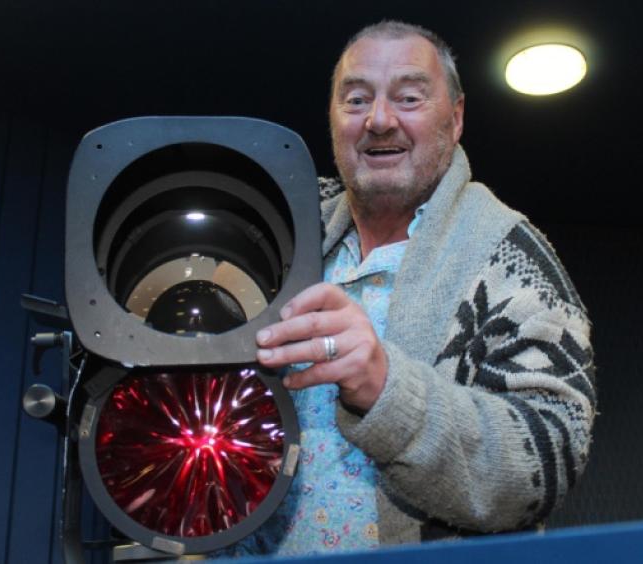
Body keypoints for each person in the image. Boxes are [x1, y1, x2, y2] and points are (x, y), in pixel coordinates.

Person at [231, 20, 596, 555]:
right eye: (356, 100)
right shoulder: (280, 237)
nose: (380, 120)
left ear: (456, 117)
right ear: (332, 121)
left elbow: (549, 456)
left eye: (408, 97)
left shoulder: (510, 253)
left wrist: (387, 390)